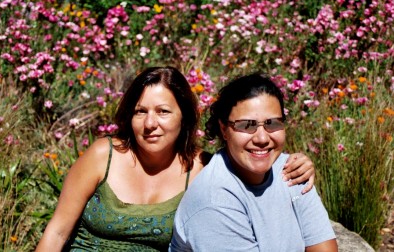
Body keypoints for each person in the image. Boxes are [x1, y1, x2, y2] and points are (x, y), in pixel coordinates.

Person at [36, 67, 316, 251]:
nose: (150, 123)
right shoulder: (103, 156)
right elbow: (57, 233)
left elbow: (252, 159)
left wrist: (296, 162)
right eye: (140, 111)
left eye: (163, 112)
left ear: (184, 116)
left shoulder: (202, 168)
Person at [170, 73, 338, 252]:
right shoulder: (214, 201)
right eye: (246, 125)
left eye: (272, 123)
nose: (262, 138)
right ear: (224, 129)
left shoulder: (293, 171)